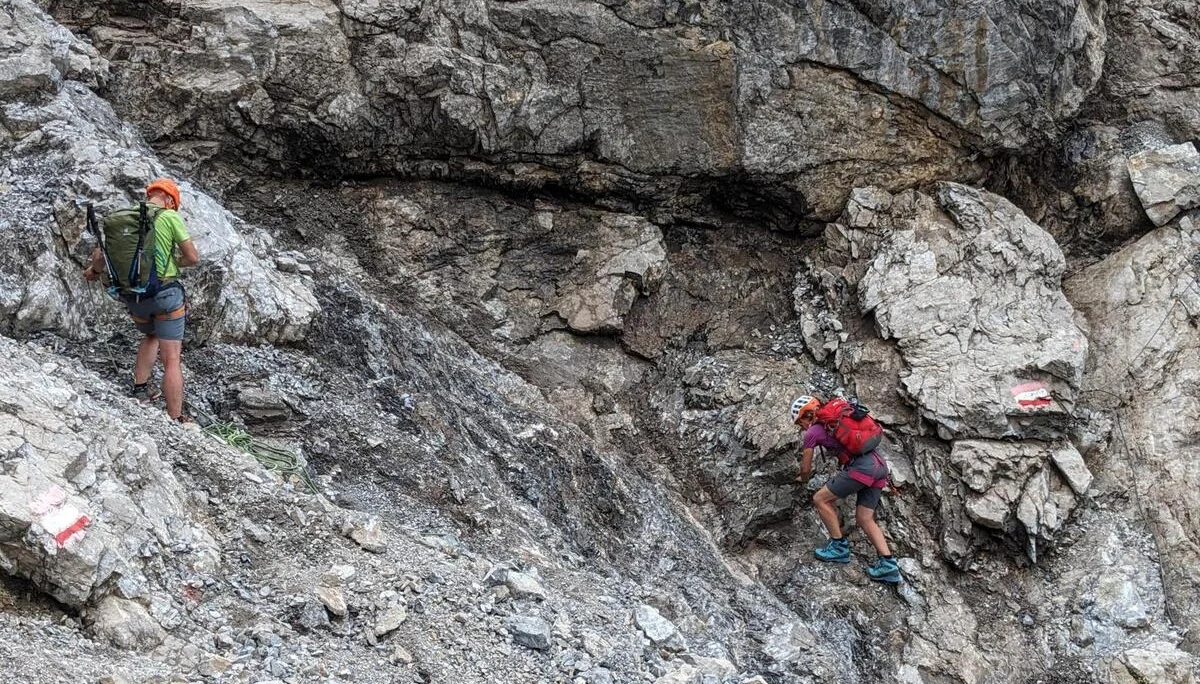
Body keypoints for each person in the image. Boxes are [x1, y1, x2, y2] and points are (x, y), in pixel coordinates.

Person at [83, 178, 200, 422]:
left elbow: (101, 255)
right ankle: (176, 418)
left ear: (150, 196)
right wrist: (174, 261)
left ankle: (140, 389)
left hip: (134, 297)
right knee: (172, 359)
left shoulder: (124, 218)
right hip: (165, 296)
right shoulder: (169, 216)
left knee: (151, 336)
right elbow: (192, 258)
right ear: (170, 200)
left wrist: (93, 272)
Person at [791, 395, 901, 583]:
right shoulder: (836, 422)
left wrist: (802, 479)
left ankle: (838, 547)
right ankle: (889, 565)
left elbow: (805, 468)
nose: (801, 427)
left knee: (820, 499)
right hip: (879, 466)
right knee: (865, 518)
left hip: (862, 468)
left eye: (800, 422)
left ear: (806, 415)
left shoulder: (813, 432)